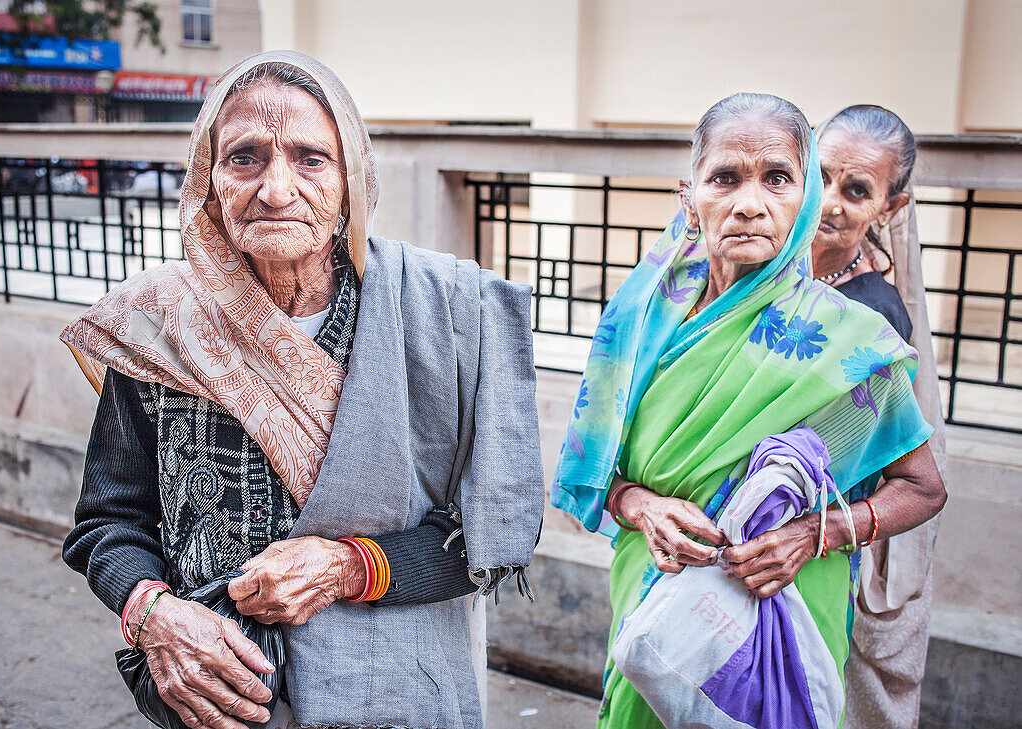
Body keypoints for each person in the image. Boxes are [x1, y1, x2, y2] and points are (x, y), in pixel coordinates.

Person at [60, 50, 544, 729]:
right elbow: (108, 522)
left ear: (352, 183)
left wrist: (349, 567)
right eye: (245, 157)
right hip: (212, 699)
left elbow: (486, 535)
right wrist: (154, 614)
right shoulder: (156, 326)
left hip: (394, 695)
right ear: (208, 179)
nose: (276, 188)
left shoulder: (441, 319)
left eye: (312, 159)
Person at [551, 93, 947, 729]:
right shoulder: (642, 319)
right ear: (691, 194)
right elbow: (594, 469)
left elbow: (923, 489)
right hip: (655, 609)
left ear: (803, 201)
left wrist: (812, 534)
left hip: (784, 613)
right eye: (726, 178)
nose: (749, 203)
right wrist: (642, 507)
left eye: (778, 179)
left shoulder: (850, 339)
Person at [813, 104, 947, 729]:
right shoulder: (749, 270)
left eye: (856, 190)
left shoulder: (874, 316)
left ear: (889, 210)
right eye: (818, 176)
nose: (828, 201)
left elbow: (853, 468)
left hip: (797, 555)